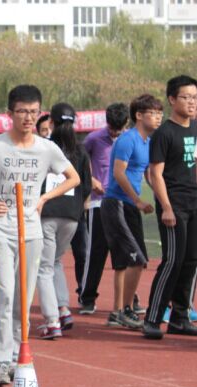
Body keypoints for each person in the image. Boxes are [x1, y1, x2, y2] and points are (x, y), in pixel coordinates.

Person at [0, 84, 79, 387]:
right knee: (5, 294)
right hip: (0, 228)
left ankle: (17, 356)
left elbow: (73, 178)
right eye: (22, 111)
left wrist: (45, 198)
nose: (28, 117)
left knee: (23, 298)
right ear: (10, 113)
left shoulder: (46, 148)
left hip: (32, 230)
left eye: (33, 112)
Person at [142, 75, 197, 338]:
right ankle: (153, 318)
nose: (192, 102)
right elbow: (155, 174)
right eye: (186, 97)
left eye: (195, 97)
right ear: (172, 99)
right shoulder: (164, 133)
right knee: (173, 260)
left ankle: (179, 317)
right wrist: (166, 207)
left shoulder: (196, 128)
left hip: (194, 203)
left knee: (192, 260)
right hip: (174, 205)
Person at [101, 94, 163, 329]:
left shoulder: (148, 142)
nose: (158, 117)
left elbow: (149, 174)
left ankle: (118, 312)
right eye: (153, 113)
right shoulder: (128, 140)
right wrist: (137, 200)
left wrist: (164, 201)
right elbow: (119, 173)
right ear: (138, 115)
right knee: (137, 259)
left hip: (129, 206)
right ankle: (127, 310)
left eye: (160, 113)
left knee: (127, 261)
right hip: (116, 204)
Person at [35, 103, 93, 339]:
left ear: (51, 122)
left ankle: (52, 322)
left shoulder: (43, 147)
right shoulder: (80, 151)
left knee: (44, 268)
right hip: (72, 216)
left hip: (47, 213)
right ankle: (63, 309)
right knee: (55, 262)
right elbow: (86, 185)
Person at [77, 103, 129, 315]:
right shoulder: (94, 138)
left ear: (126, 123)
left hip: (124, 202)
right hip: (99, 202)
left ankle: (129, 299)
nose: (115, 133)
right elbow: (79, 161)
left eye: (119, 129)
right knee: (96, 252)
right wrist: (92, 180)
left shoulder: (130, 139)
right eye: (112, 128)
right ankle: (87, 297)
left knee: (127, 253)